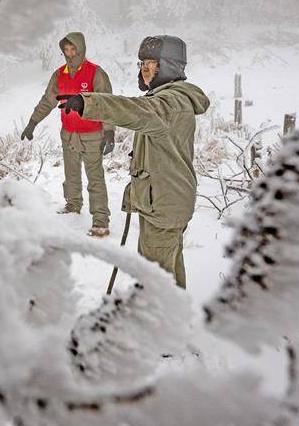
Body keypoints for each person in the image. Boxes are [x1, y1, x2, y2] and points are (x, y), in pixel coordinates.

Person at [57, 35, 208, 287]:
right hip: (163, 200)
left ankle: (157, 324)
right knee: (168, 274)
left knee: (154, 282)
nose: (143, 69)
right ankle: (178, 321)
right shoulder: (171, 98)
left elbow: (136, 110)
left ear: (168, 65)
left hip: (163, 204)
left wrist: (89, 102)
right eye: (141, 64)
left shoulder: (170, 103)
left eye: (150, 63)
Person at [21, 31, 115, 237]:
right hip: (68, 134)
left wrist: (109, 132)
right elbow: (48, 100)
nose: (70, 53)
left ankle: (100, 220)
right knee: (71, 174)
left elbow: (107, 103)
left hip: (92, 135)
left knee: (95, 179)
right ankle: (73, 204)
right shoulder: (59, 74)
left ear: (81, 49)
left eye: (73, 49)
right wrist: (33, 122)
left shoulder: (95, 73)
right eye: (66, 50)